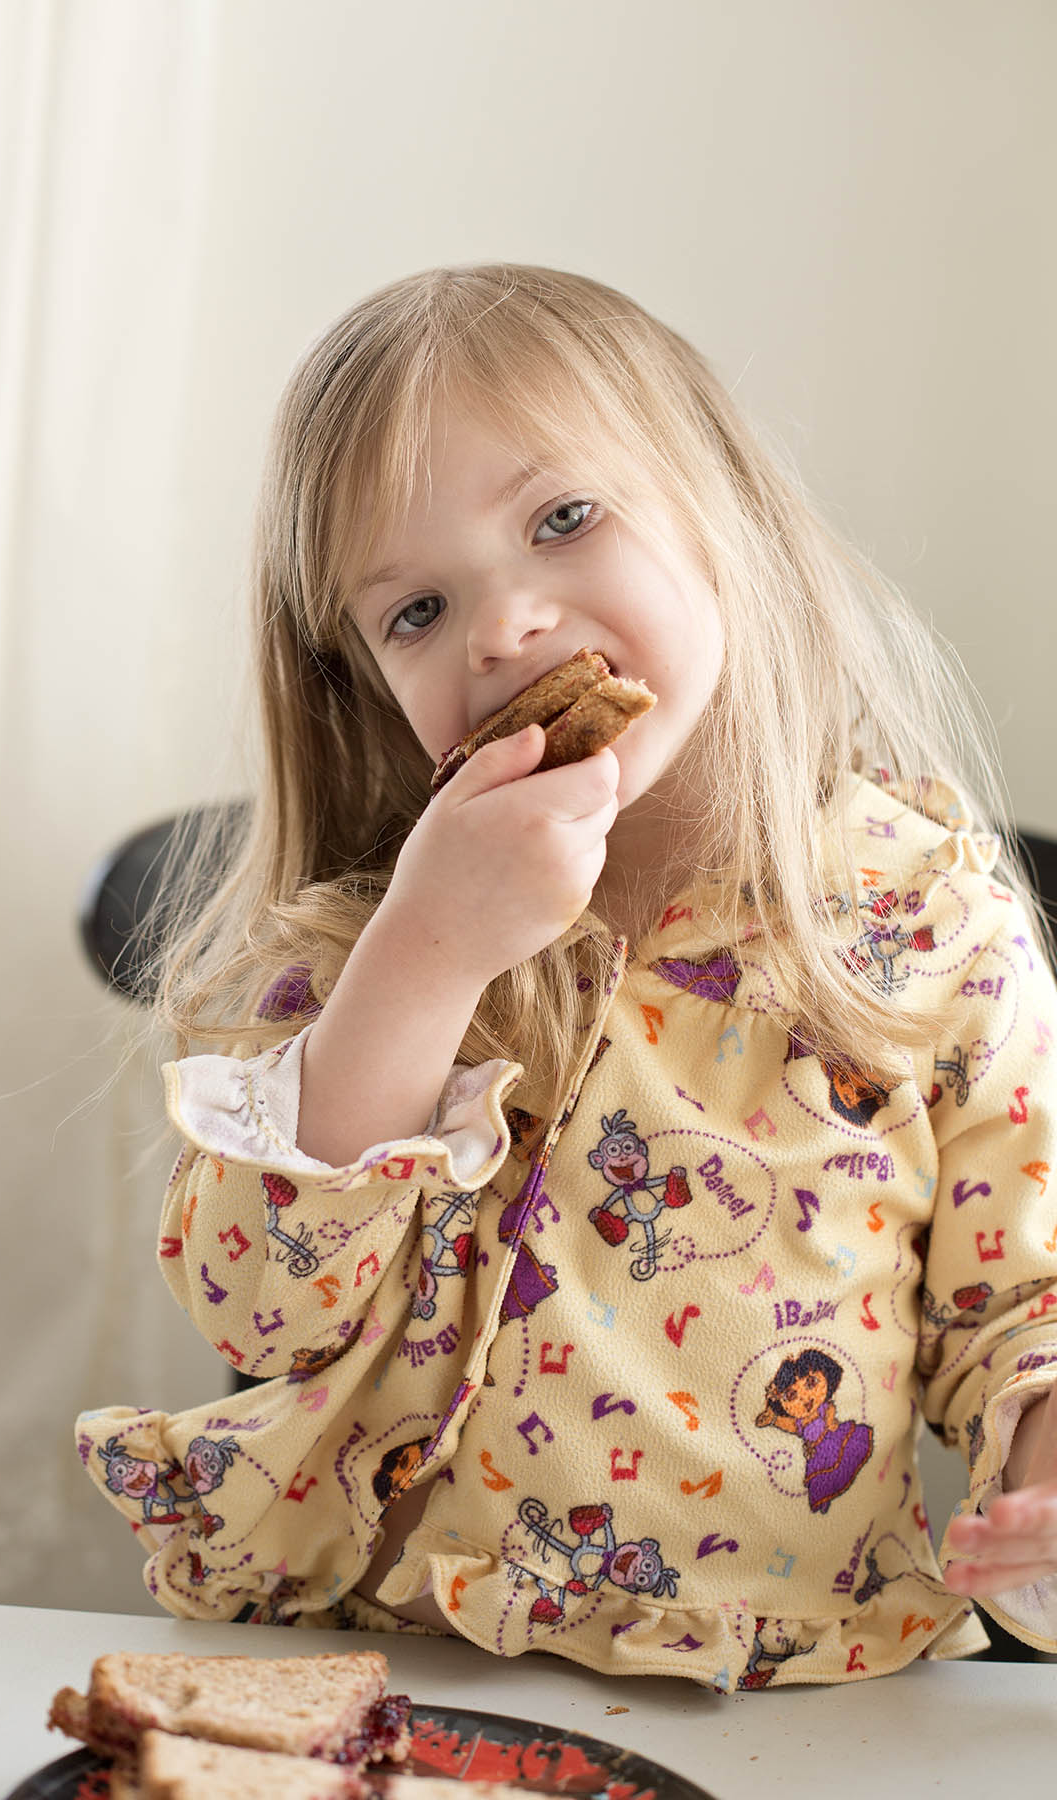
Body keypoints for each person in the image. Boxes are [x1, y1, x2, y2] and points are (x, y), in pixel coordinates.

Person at [76, 264, 1057, 1691]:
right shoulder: (360, 946)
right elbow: (256, 1302)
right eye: (414, 611)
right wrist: (427, 958)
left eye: (563, 519)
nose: (503, 629)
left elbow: (1028, 1292)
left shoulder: (926, 918)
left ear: (726, 517)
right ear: (360, 686)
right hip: (398, 1678)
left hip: (790, 1696)